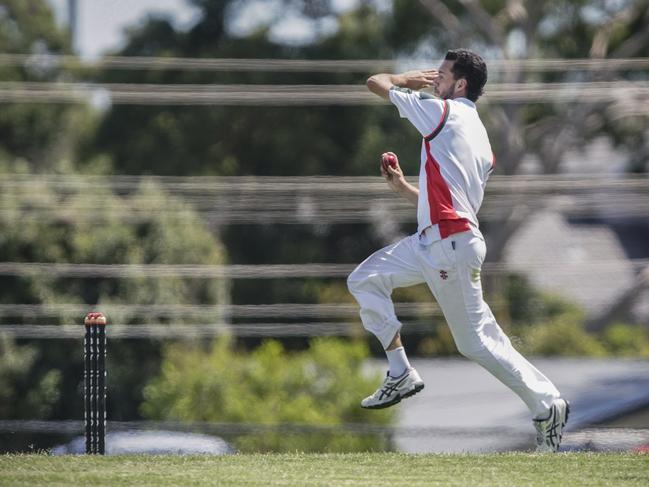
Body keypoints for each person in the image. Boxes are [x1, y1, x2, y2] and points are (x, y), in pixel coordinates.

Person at [347, 49, 569, 452]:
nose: (435, 79)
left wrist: (405, 78)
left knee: (475, 343)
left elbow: (374, 81)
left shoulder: (442, 112)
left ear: (460, 84)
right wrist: (403, 190)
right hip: (440, 240)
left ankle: (547, 404)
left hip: (447, 246)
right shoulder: (480, 137)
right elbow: (451, 202)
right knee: (364, 279)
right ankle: (400, 371)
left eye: (442, 74)